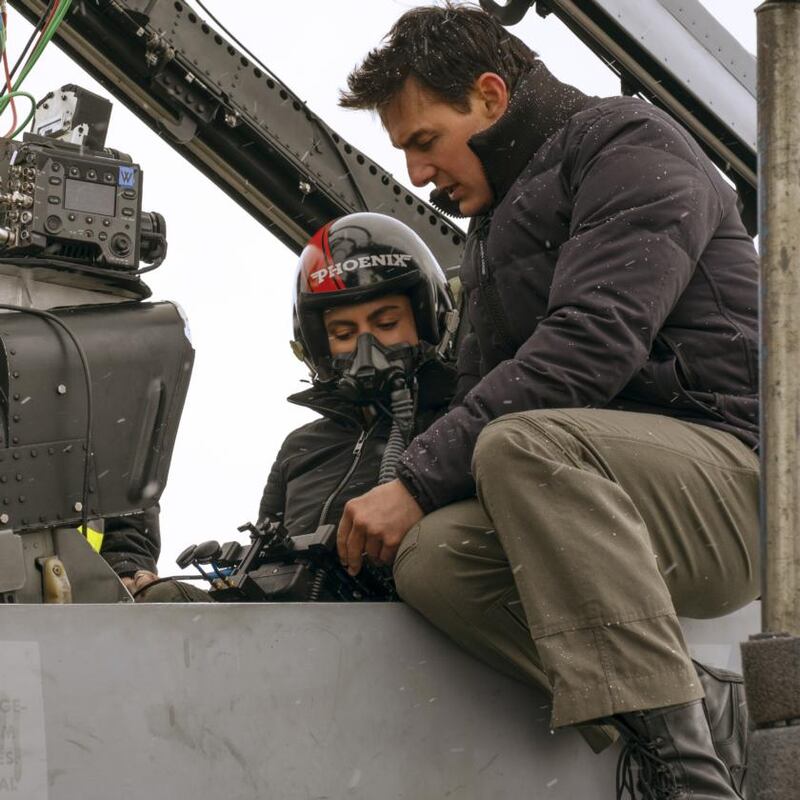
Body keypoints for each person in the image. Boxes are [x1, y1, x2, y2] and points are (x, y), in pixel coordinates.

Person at [335, 4, 758, 798]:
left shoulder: (628, 144)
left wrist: (418, 481)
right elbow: (479, 394)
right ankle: (694, 714)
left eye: (424, 141)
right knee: (433, 563)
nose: (417, 175)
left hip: (740, 487)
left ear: (491, 98)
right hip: (605, 500)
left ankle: (689, 781)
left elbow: (592, 343)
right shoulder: (493, 232)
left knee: (519, 445)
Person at [137, 211, 457, 602]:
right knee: (164, 602)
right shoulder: (300, 448)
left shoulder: (456, 428)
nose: (366, 349)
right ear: (321, 345)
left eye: (387, 323)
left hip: (409, 639)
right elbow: (266, 570)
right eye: (343, 333)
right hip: (297, 640)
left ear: (427, 320)